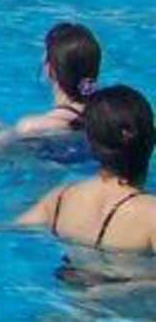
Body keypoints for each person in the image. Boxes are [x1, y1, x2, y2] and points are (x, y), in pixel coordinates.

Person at [17, 86, 156, 256]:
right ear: (151, 140)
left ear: (91, 143)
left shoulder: (60, 199)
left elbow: (7, 230)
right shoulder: (151, 215)